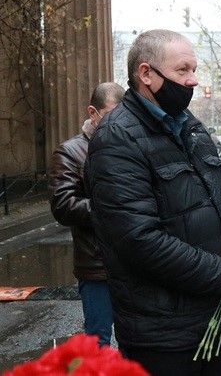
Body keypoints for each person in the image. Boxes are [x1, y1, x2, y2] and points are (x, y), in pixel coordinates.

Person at [84, 29, 221, 376]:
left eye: (194, 70)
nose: (193, 81)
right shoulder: (117, 137)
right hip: (161, 336)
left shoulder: (190, 128)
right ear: (146, 74)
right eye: (183, 70)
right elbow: (139, 241)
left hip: (210, 319)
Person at [48, 82, 125, 346]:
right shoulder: (70, 152)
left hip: (134, 262)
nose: (117, 124)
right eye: (111, 116)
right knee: (98, 341)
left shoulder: (128, 146)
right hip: (96, 266)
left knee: (137, 339)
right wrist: (115, 209)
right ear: (93, 112)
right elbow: (63, 205)